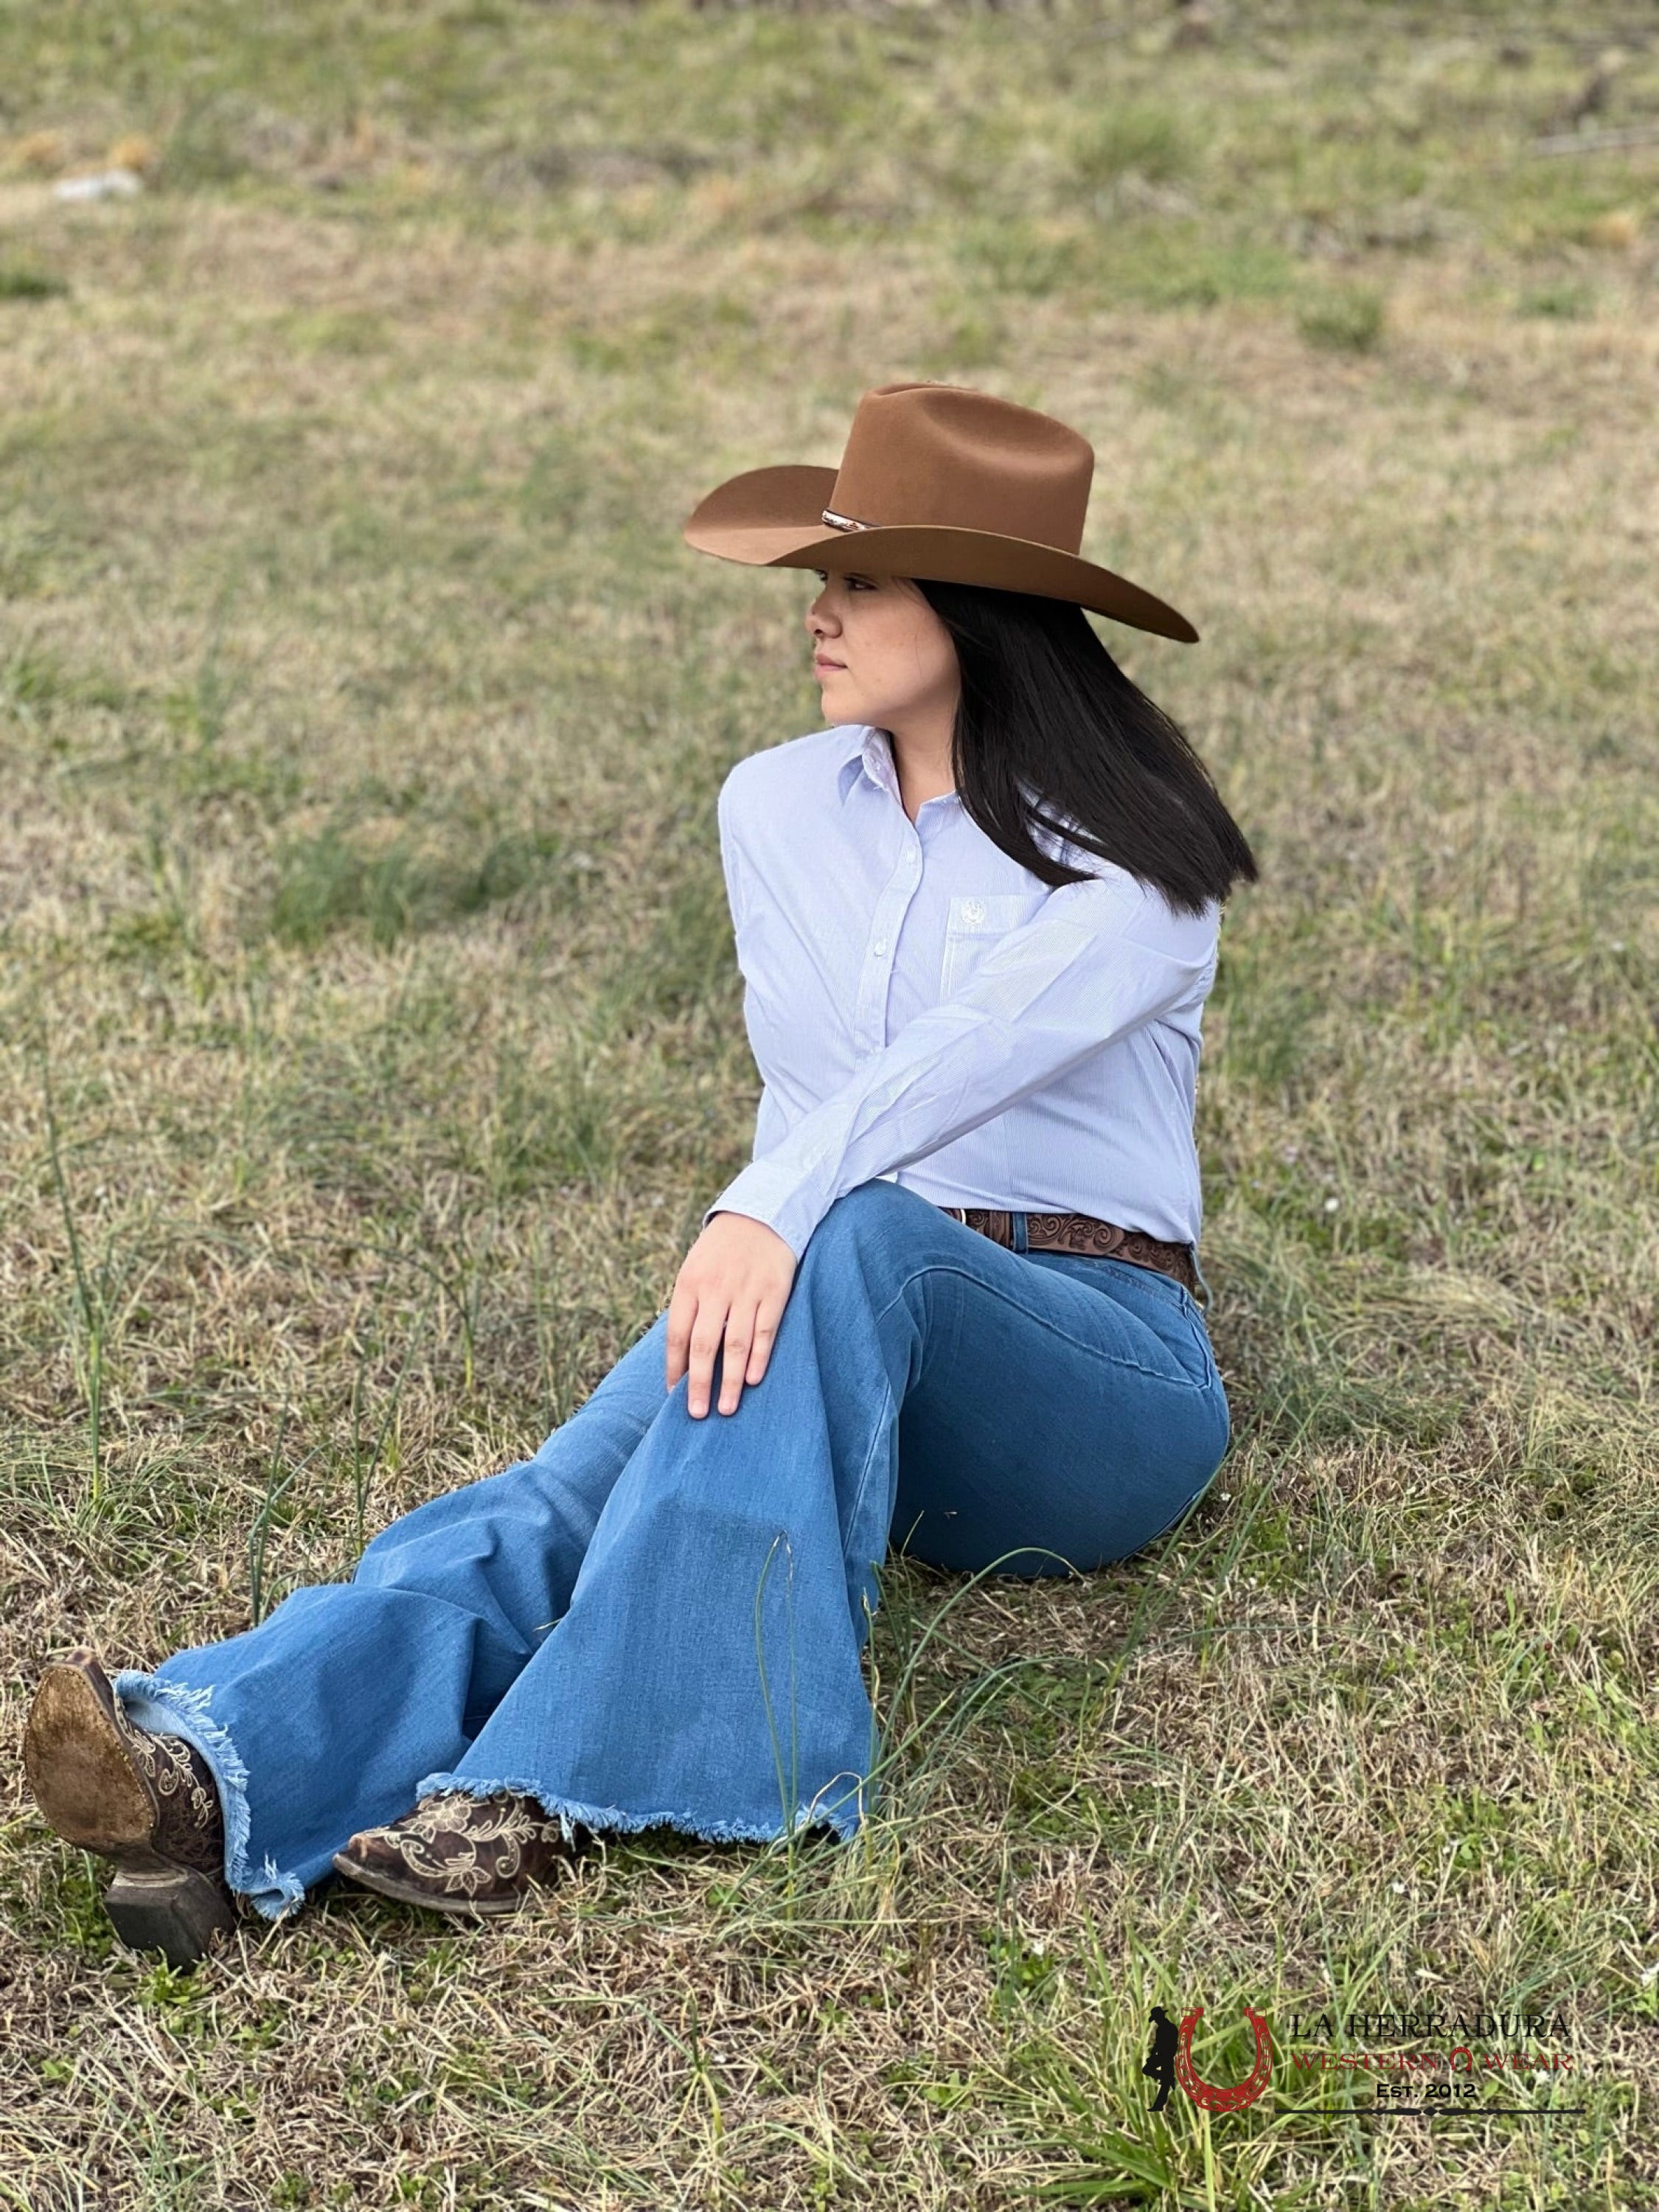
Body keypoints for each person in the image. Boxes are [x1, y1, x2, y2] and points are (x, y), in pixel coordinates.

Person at [24, 380, 1258, 1967]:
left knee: (862, 1236)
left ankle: (557, 1781)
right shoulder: (776, 808)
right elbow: (808, 1092)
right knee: (567, 1495)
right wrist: (777, 1220)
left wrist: (767, 1208)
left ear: (980, 611)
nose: (817, 614)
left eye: (860, 580)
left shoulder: (1136, 861)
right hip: (830, 1317)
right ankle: (215, 1768)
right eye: (820, 578)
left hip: (1090, 1379)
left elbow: (960, 1057)